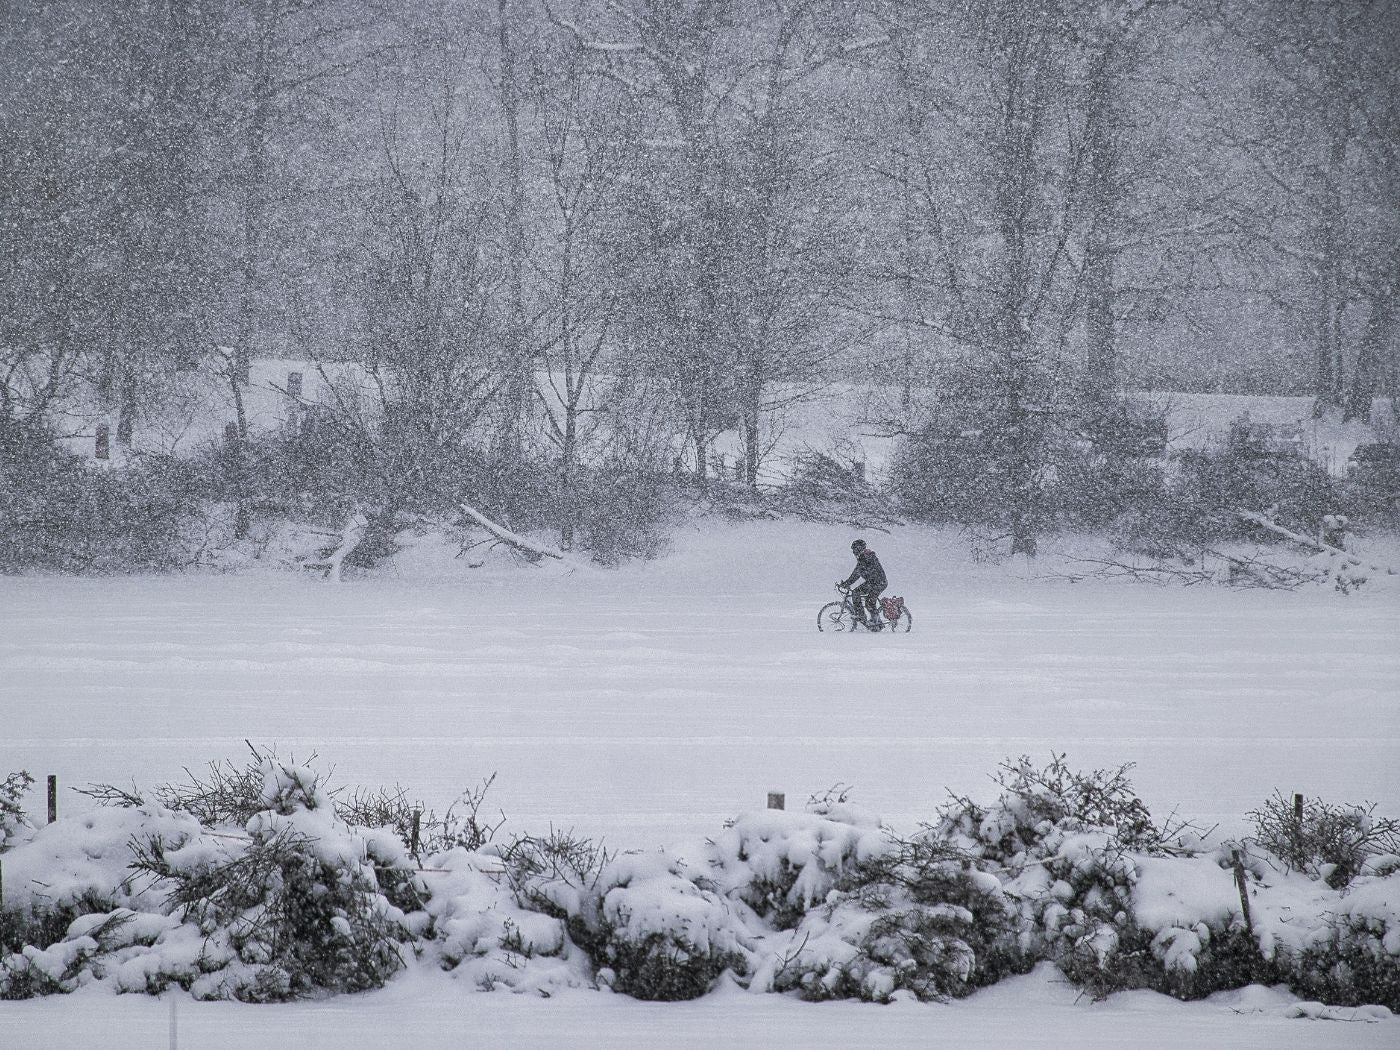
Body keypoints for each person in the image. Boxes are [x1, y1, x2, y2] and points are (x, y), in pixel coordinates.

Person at [838, 538, 887, 630]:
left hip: (877, 582)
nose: (853, 552)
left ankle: (861, 616)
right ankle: (876, 623)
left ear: (858, 549)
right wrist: (847, 582)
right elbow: (857, 572)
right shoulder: (865, 556)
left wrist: (847, 583)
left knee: (859, 595)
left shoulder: (865, 557)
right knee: (868, 601)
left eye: (854, 549)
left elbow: (857, 573)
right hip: (875, 582)